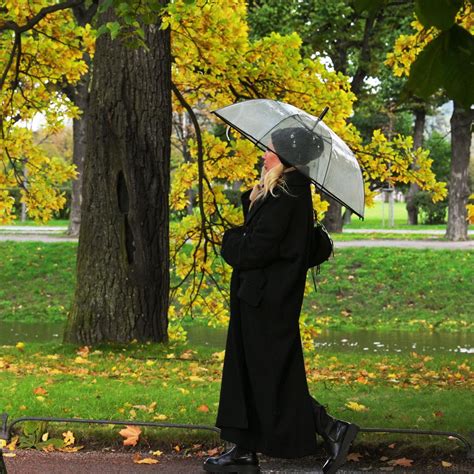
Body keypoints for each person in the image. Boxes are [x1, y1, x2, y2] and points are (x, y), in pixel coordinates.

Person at [203, 127, 359, 474]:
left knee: (271, 375)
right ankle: (243, 449)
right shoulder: (283, 192)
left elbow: (257, 249)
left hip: (268, 302)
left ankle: (331, 428)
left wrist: (230, 240)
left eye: (268, 150)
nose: (263, 154)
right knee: (255, 373)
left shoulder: (288, 195)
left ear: (286, 156)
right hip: (261, 298)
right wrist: (255, 197)